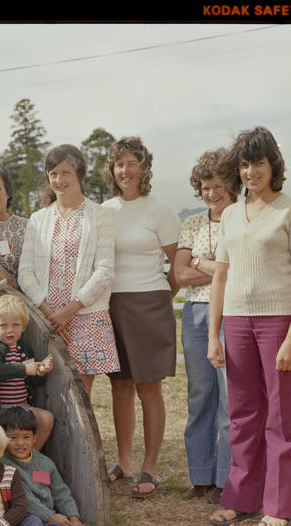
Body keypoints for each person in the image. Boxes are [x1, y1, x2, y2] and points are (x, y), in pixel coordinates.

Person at [207, 126, 291, 526]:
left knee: (283, 418)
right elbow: (220, 277)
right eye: (245, 163)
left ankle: (279, 504)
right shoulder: (232, 213)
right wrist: (212, 334)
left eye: (259, 162)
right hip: (236, 323)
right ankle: (241, 499)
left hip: (278, 324)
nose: (251, 171)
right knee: (242, 416)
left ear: (274, 166)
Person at [101, 136, 181, 498]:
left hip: (150, 302)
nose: (126, 170)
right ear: (112, 170)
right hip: (112, 304)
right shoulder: (104, 210)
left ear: (144, 169)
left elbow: (178, 265)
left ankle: (149, 468)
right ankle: (124, 462)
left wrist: (161, 294)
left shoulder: (159, 210)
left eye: (133, 163)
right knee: (119, 386)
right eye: (120, 164)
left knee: (149, 388)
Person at [18, 144, 120, 397]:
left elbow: (105, 270)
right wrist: (51, 314)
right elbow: (25, 272)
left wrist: (69, 311)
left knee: (80, 397)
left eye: (65, 173)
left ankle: (84, 440)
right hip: (47, 320)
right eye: (53, 173)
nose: (59, 180)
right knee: (48, 394)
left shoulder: (100, 216)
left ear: (79, 175)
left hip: (86, 316)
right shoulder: (38, 219)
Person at [174, 149, 238, 504]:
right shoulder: (193, 223)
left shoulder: (243, 220)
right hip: (196, 313)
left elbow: (240, 269)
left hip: (233, 311)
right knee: (200, 396)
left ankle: (226, 478)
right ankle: (200, 476)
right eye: (205, 187)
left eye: (218, 186)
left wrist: (206, 263)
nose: (212, 194)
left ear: (231, 185)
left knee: (230, 399)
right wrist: (212, 264)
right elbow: (181, 274)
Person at [0, 406, 94, 526]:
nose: (20, 443)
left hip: (48, 516)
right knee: (33, 520)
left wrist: (73, 518)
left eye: (26, 437)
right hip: (19, 515)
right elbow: (25, 499)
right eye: (13, 438)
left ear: (34, 438)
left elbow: (61, 492)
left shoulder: (45, 463)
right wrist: (49, 515)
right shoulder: (5, 464)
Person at [0, 294, 54, 451]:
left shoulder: (24, 349)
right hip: (1, 409)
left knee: (46, 419)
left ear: (24, 326)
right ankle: (14, 458)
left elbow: (33, 382)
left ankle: (30, 455)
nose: (10, 330)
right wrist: (24, 369)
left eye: (16, 325)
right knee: (11, 433)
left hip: (23, 406)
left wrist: (40, 371)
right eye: (3, 325)